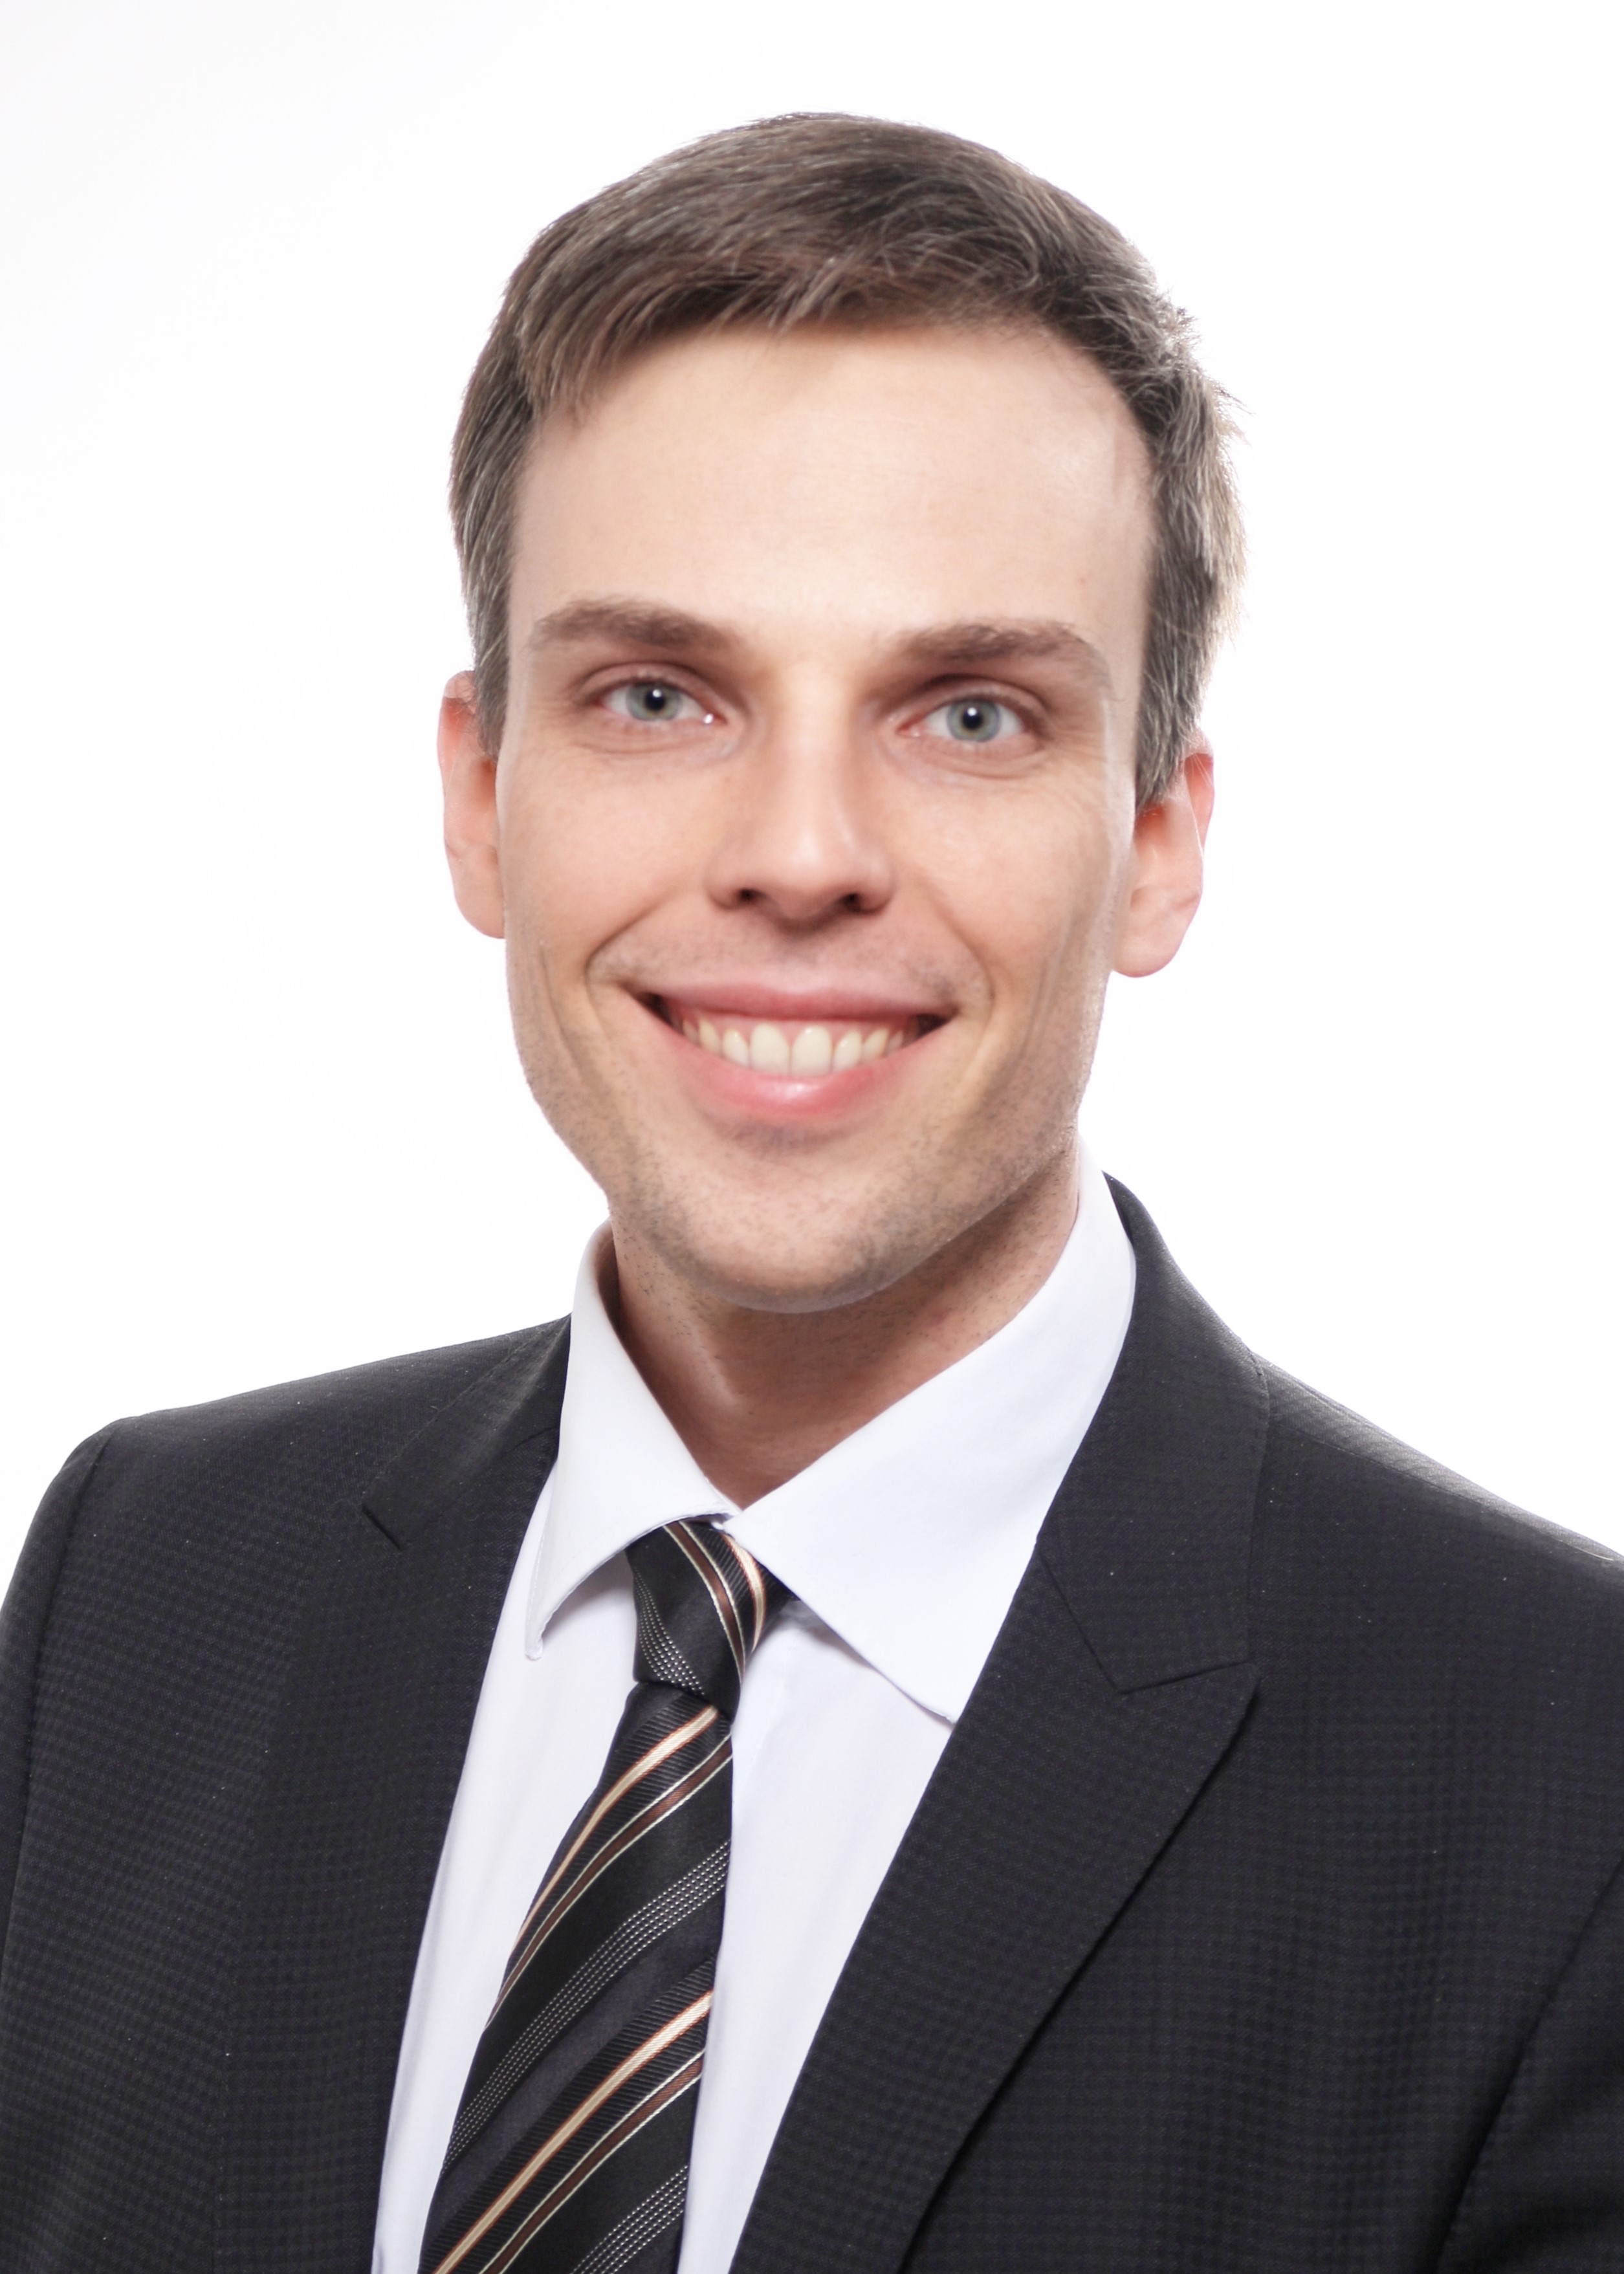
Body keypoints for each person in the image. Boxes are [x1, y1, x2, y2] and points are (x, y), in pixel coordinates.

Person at [1, 111, 1620, 2274]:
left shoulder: (1560, 1778)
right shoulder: (142, 1586)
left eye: (970, 715)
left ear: (1158, 841)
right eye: (658, 694)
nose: (797, 852)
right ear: (481, 795)